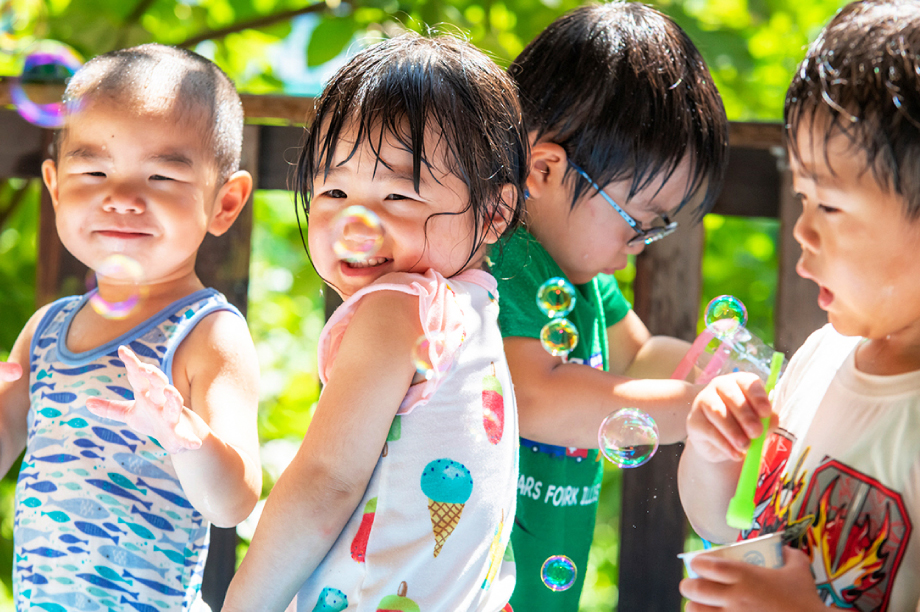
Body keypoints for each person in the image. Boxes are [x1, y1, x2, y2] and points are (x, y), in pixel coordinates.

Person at [222, 33, 527, 612]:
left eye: (397, 195)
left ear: (493, 212)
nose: (356, 222)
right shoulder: (469, 306)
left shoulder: (397, 306)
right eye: (335, 189)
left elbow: (326, 481)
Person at [0, 43, 262, 610]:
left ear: (225, 203)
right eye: (92, 170)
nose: (121, 198)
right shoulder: (46, 330)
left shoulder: (206, 333)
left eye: (163, 177)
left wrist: (183, 435)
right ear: (54, 186)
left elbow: (233, 502)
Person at [678, 1, 920, 609]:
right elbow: (726, 525)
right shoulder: (821, 355)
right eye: (802, 198)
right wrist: (714, 455)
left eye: (830, 207)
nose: (802, 232)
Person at [489, 2, 728, 607]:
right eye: (638, 223)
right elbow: (536, 397)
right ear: (544, 168)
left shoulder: (584, 280)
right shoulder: (502, 261)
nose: (640, 246)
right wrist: (697, 408)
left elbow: (641, 356)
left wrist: (725, 379)